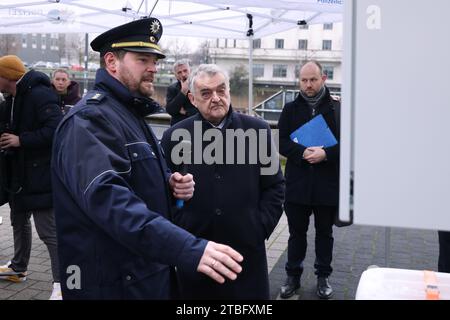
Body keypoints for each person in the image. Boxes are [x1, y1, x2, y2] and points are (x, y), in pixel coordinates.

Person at [51, 17, 243, 300]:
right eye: (143, 59)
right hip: (111, 283)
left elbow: (130, 178)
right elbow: (110, 200)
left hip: (144, 275)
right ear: (112, 62)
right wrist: (186, 248)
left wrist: (168, 183)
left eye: (154, 60)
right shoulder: (89, 120)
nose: (154, 67)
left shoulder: (128, 113)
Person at [161, 64, 285, 299]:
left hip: (246, 253)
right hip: (194, 253)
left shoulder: (257, 131)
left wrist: (258, 228)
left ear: (228, 91)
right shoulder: (174, 136)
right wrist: (182, 228)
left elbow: (276, 186)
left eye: (221, 90)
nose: (215, 98)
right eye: (206, 93)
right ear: (192, 99)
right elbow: (163, 189)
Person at [0, 55, 63, 300]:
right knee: (18, 220)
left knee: (48, 232)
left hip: (40, 176)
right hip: (20, 175)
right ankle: (19, 266)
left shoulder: (39, 94)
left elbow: (56, 129)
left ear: (7, 77)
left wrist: (20, 140)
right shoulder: (12, 98)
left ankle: (62, 284)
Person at [277, 60, 340, 300]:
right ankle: (292, 276)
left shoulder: (337, 109)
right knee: (296, 234)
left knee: (325, 234)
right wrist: (301, 153)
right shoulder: (290, 109)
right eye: (304, 80)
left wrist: (326, 154)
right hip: (297, 185)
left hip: (327, 185)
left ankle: (323, 277)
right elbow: (282, 142)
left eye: (313, 79)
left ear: (323, 78)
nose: (308, 85)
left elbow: (349, 145)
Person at [165, 59, 198, 125]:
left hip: (196, 125)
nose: (183, 74)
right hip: (178, 126)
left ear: (190, 71)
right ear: (176, 75)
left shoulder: (198, 86)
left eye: (185, 71)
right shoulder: (172, 88)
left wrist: (186, 112)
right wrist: (183, 91)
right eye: (179, 72)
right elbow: (170, 110)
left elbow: (203, 109)